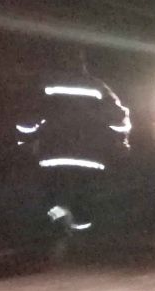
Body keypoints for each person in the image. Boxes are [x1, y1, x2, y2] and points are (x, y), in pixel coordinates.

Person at [14, 61, 131, 243]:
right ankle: (81, 240)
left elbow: (28, 119)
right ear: (84, 66)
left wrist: (25, 143)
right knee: (84, 200)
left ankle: (57, 224)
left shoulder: (45, 85)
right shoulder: (98, 87)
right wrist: (121, 143)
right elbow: (118, 120)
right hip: (90, 157)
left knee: (52, 197)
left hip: (53, 155)